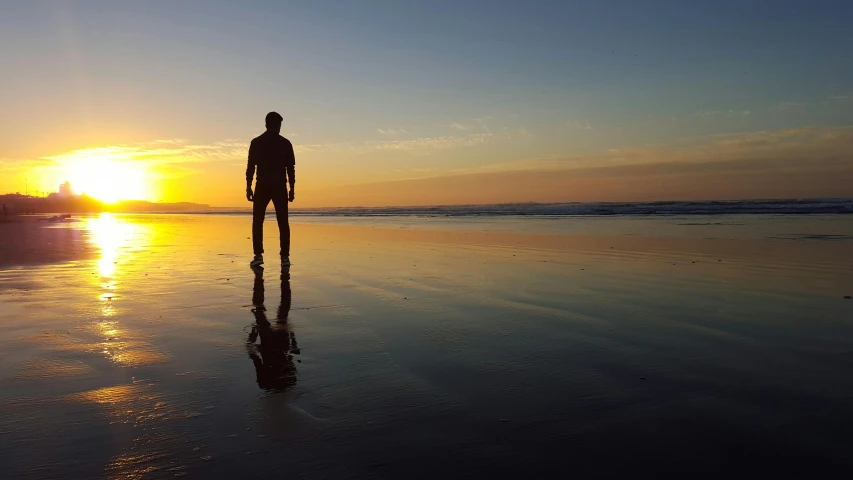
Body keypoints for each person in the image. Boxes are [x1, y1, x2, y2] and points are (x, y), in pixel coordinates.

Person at [246, 111, 296, 267]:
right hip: (279, 186)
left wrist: (248, 187)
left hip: (262, 186)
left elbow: (250, 167)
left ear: (266, 124)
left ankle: (258, 255)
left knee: (258, 221)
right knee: (283, 222)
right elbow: (291, 169)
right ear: (278, 125)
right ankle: (285, 258)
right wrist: (292, 189)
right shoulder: (286, 143)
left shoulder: (256, 142)